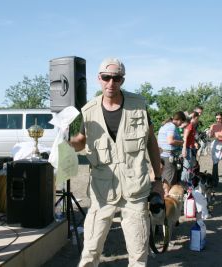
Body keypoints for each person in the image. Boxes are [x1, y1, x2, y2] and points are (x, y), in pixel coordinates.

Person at [69, 58, 163, 266]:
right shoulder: (88, 110)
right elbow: (81, 141)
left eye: (116, 78)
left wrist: (158, 179)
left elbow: (151, 142)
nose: (111, 83)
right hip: (102, 192)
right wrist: (69, 144)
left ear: (122, 79)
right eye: (106, 78)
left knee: (139, 252)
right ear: (99, 78)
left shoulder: (138, 105)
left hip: (135, 191)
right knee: (90, 250)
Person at [157, 111, 186, 195]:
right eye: (182, 121)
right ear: (179, 119)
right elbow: (170, 141)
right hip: (168, 156)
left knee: (166, 179)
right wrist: (181, 142)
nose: (181, 124)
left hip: (163, 155)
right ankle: (168, 203)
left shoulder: (166, 125)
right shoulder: (172, 127)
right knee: (169, 182)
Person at [181, 111, 200, 185]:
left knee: (190, 168)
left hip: (191, 148)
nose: (198, 120)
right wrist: (184, 149)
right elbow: (185, 138)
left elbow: (191, 137)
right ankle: (184, 184)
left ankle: (188, 184)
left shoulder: (192, 126)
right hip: (188, 149)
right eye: (197, 118)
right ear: (195, 117)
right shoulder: (190, 126)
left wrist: (195, 143)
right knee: (186, 168)